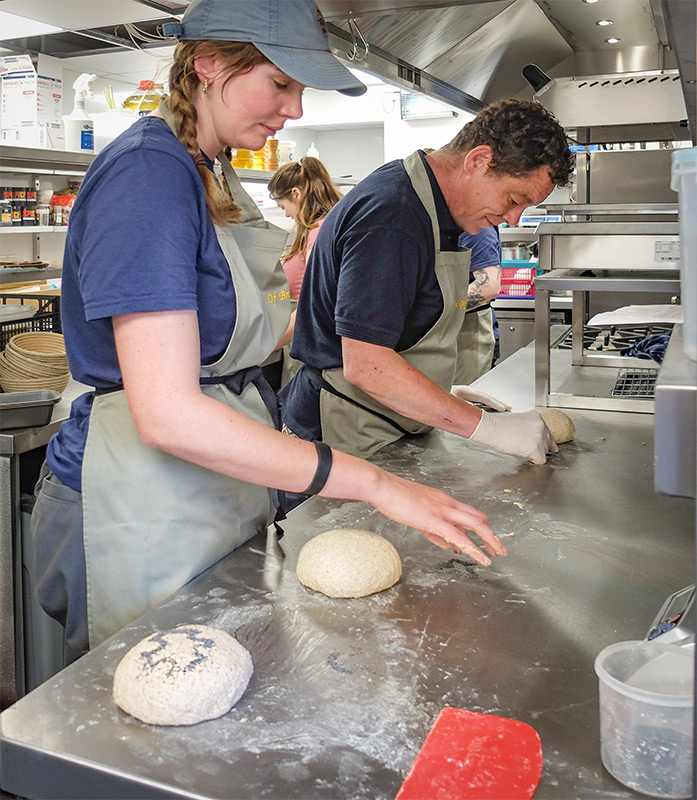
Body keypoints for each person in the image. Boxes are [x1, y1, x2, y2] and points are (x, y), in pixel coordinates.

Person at [29, 0, 505, 667]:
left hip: (203, 479)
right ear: (208, 65)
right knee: (142, 710)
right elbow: (165, 413)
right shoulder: (149, 174)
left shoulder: (212, 170)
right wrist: (372, 482)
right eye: (280, 83)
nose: (295, 109)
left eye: (300, 89)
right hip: (131, 492)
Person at [280, 99, 574, 465]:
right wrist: (488, 428)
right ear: (478, 160)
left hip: (386, 417)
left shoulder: (431, 205)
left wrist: (440, 392)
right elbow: (365, 364)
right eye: (514, 199)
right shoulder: (394, 217)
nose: (513, 219)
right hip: (343, 424)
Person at [266, 156, 342, 386]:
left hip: (308, 343)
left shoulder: (317, 235)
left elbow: (313, 306)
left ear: (296, 194)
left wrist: (268, 343)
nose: (287, 215)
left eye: (283, 207)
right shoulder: (327, 225)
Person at [453, 225, 501, 386]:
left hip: (470, 332)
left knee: (464, 402)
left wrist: (441, 308)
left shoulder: (477, 228)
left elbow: (488, 287)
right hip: (453, 330)